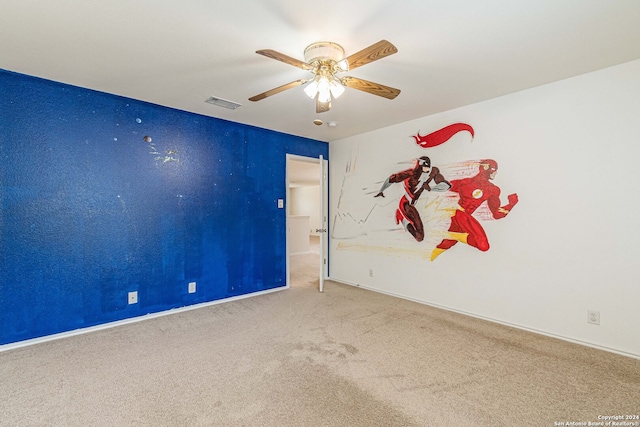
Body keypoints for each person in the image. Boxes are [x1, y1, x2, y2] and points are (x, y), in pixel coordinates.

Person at [430, 159, 518, 260]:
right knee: (483, 245)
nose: (496, 173)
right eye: (494, 169)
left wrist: (511, 204)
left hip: (464, 219)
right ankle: (451, 236)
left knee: (447, 243)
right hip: (458, 214)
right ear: (485, 168)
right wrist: (432, 176)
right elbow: (443, 186)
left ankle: (431, 257)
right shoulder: (466, 182)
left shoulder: (493, 190)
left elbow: (496, 214)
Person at [375, 156, 451, 242]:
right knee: (419, 236)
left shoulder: (432, 172)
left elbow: (446, 186)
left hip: (412, 203)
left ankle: (402, 218)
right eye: (424, 167)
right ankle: (402, 218)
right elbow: (392, 179)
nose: (427, 170)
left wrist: (431, 188)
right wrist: (381, 190)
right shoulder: (411, 174)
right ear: (419, 166)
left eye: (428, 167)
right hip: (406, 203)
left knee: (420, 237)